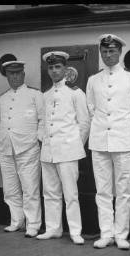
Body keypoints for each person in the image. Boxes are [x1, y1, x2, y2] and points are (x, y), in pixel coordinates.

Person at [86, 34, 130, 250]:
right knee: (102, 190)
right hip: (100, 141)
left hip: (125, 141)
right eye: (104, 51)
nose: (108, 55)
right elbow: (91, 108)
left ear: (120, 52)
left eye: (112, 51)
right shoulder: (93, 80)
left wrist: (129, 133)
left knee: (123, 190)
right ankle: (106, 233)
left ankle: (121, 234)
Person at [36, 51, 90, 244]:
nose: (54, 71)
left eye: (57, 67)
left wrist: (74, 145)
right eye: (50, 67)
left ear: (65, 69)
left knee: (71, 193)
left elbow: (84, 123)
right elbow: (42, 122)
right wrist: (42, 139)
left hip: (67, 151)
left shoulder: (75, 93)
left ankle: (75, 231)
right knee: (50, 192)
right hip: (48, 151)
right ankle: (53, 228)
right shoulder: (45, 95)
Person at [0, 59, 44, 238]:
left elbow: (43, 120)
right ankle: (17, 221)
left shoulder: (34, 95)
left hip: (28, 148)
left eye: (17, 73)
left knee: (30, 188)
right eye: (10, 74)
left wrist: (38, 140)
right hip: (6, 149)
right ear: (7, 76)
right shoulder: (3, 98)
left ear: (23, 74)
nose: (13, 77)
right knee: (10, 189)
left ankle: (33, 224)